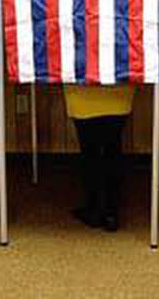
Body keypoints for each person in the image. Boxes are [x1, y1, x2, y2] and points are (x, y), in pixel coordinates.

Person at [65, 84, 136, 232]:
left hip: (81, 92)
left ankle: (93, 210)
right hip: (118, 92)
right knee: (113, 149)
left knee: (89, 152)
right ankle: (112, 213)